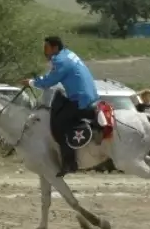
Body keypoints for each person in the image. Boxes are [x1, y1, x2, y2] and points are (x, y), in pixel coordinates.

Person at [22, 35, 99, 177]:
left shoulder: (60, 60)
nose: (44, 51)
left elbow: (49, 81)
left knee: (59, 123)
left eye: (46, 48)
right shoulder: (69, 54)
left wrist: (32, 82)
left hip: (81, 101)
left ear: (55, 48)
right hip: (89, 96)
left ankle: (69, 162)